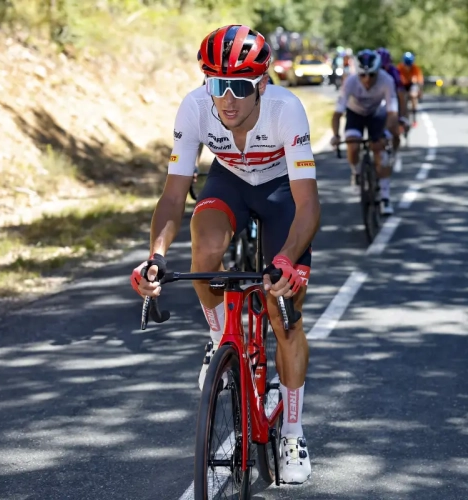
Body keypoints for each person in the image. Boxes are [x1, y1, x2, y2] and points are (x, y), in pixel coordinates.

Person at [129, 24, 318, 485]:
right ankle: (220, 338)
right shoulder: (196, 108)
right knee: (205, 245)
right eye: (217, 84)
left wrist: (288, 258)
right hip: (229, 181)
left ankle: (292, 432)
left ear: (262, 84)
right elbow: (173, 197)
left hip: (280, 191)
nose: (227, 98)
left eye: (238, 86)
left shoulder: (286, 110)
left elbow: (308, 203)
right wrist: (154, 256)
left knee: (283, 312)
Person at [331, 49, 399, 215]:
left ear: (378, 72)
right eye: (363, 75)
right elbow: (338, 113)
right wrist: (336, 135)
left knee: (379, 150)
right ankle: (356, 173)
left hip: (377, 113)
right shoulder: (350, 82)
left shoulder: (386, 80)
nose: (367, 79)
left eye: (372, 75)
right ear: (358, 73)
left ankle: (385, 197)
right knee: (353, 146)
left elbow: (392, 113)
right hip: (355, 114)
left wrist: (387, 133)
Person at [376, 47, 408, 157]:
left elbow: (400, 92)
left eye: (384, 66)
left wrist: (400, 114)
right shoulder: (371, 71)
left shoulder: (393, 71)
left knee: (394, 130)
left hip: (391, 99)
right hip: (376, 100)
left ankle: (394, 153)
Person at [397, 51, 424, 126]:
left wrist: (420, 92)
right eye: (406, 64)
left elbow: (420, 81)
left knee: (413, 96)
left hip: (412, 85)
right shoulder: (399, 67)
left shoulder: (415, 68)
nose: (407, 67)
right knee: (401, 97)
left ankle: (414, 117)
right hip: (402, 85)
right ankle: (401, 116)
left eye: (409, 65)